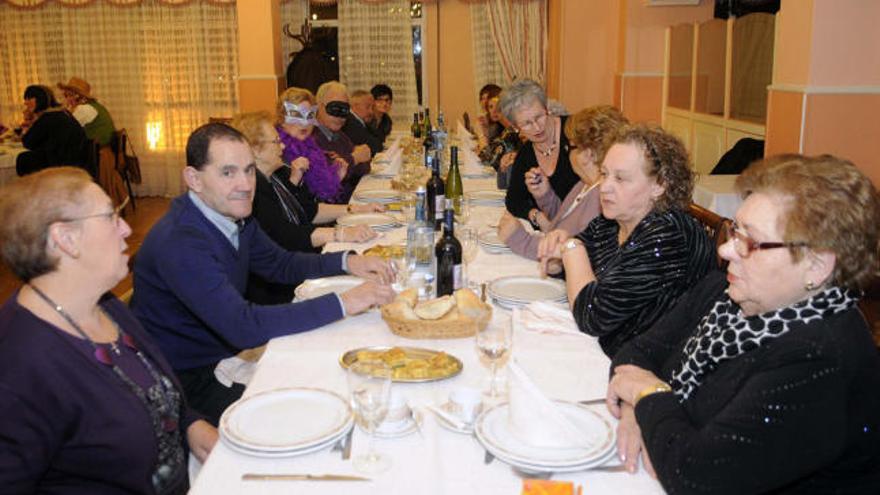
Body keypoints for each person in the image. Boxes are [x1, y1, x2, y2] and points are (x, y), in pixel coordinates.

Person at [606, 155, 880, 493]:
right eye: (736, 229)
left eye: (750, 241)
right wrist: (638, 412)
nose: (725, 250)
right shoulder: (726, 292)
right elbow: (636, 352)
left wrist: (647, 394)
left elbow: (699, 476)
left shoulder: (820, 360)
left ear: (816, 266)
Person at [132, 123, 395, 425]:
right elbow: (242, 326)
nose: (245, 184)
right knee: (330, 406)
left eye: (248, 170)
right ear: (194, 179)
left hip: (225, 357)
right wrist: (342, 303)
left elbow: (279, 264)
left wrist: (347, 262)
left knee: (339, 372)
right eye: (228, 173)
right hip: (188, 386)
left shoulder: (231, 216)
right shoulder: (181, 242)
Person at [0, 167, 217, 494]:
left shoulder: (103, 304)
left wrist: (189, 424)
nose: (127, 228)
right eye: (110, 217)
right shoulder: (19, 366)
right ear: (66, 239)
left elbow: (151, 390)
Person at [538, 125, 714, 357]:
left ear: (659, 186)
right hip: (605, 351)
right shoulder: (613, 221)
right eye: (604, 174)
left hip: (646, 369)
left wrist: (571, 248)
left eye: (620, 178)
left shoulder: (668, 235)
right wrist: (558, 264)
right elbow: (584, 271)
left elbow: (592, 317)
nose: (605, 187)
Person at [229, 111, 380, 305]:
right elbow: (287, 236)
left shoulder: (277, 176)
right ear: (255, 149)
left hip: (299, 265)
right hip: (280, 289)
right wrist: (340, 235)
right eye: (276, 142)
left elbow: (309, 211)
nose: (282, 145)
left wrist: (355, 210)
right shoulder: (253, 191)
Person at [499, 106, 628, 260]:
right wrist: (545, 196)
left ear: (587, 154)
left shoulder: (601, 198)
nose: (567, 152)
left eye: (570, 146)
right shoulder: (584, 185)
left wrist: (519, 239)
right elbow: (563, 225)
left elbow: (573, 253)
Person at [501, 79, 580, 224]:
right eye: (526, 124)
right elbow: (514, 200)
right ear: (516, 126)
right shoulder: (525, 155)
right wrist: (535, 215)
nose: (537, 128)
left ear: (546, 108)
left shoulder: (574, 132)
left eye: (539, 117)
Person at [58, 76, 129, 209]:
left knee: (61, 161)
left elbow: (65, 130)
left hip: (96, 156)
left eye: (68, 95)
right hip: (100, 152)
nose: (66, 98)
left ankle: (73, 204)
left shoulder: (84, 109)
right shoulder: (92, 107)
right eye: (65, 95)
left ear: (77, 96)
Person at [276, 86, 348, 203]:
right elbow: (284, 208)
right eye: (297, 115)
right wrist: (294, 179)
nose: (304, 123)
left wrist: (337, 178)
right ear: (281, 119)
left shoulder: (313, 149)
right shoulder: (277, 155)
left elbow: (315, 202)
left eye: (309, 116)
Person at [313, 81, 372, 203]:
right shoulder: (312, 136)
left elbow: (364, 167)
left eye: (344, 110)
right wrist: (354, 158)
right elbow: (326, 177)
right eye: (334, 108)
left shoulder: (340, 136)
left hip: (349, 202)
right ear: (319, 106)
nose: (339, 116)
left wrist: (349, 161)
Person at [15, 85, 87, 177]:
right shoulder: (63, 112)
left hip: (61, 165)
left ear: (40, 99)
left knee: (23, 159)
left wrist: (29, 123)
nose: (25, 103)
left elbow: (28, 142)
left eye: (29, 99)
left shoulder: (49, 116)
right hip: (75, 161)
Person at [343, 89, 383, 155]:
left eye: (372, 107)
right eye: (367, 107)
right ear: (355, 106)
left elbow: (379, 138)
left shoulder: (360, 120)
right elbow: (375, 147)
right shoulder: (350, 123)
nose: (371, 112)